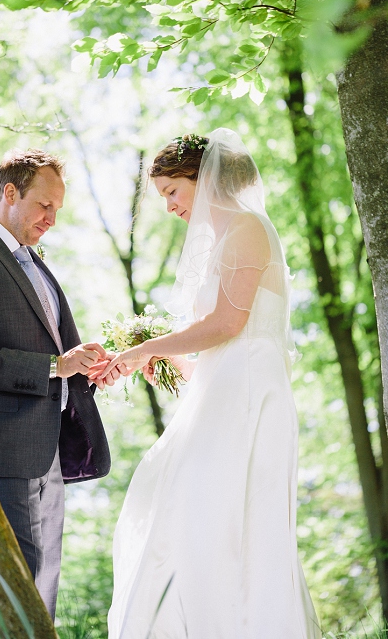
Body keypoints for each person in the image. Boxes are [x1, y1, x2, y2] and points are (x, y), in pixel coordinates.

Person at [95, 129, 320, 637]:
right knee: (196, 512)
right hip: (230, 390)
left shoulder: (247, 228)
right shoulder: (225, 239)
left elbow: (229, 325)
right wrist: (173, 363)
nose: (170, 206)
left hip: (253, 397)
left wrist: (144, 347)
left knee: (232, 520)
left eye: (173, 190)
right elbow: (224, 352)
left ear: (205, 177)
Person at [0, 147, 120, 617]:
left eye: (58, 208)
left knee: (44, 584)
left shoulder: (36, 264)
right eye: (44, 205)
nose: (52, 218)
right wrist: (56, 366)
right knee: (16, 582)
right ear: (10, 193)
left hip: (50, 449)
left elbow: (57, 354)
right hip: (4, 451)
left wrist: (89, 369)